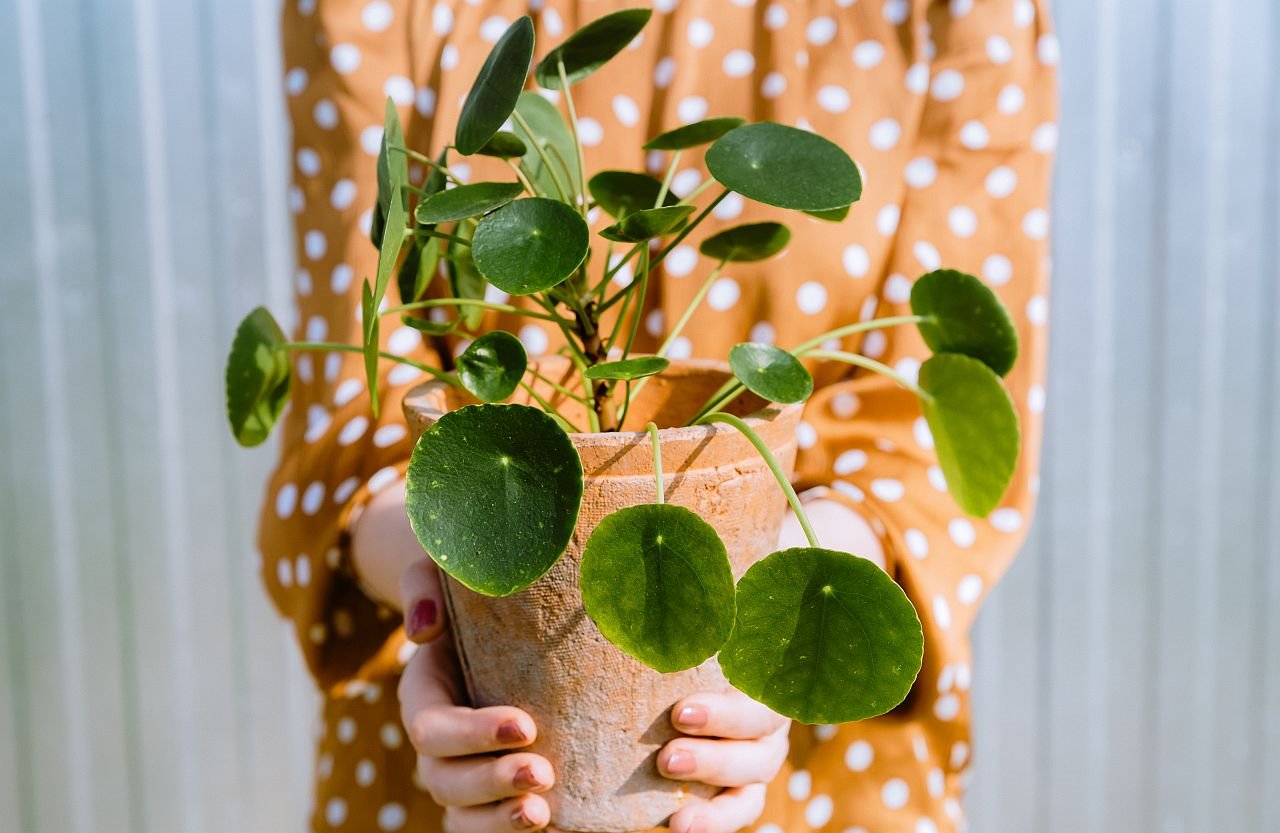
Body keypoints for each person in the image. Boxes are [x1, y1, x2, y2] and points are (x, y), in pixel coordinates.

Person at [260, 1, 1056, 831]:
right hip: (460, 771)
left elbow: (922, 450)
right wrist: (442, 596)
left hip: (810, 773)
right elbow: (355, 430)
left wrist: (768, 607)